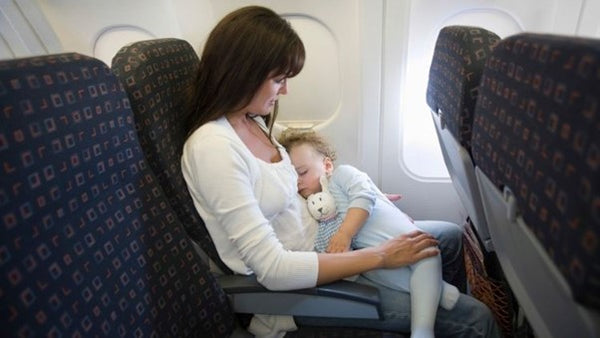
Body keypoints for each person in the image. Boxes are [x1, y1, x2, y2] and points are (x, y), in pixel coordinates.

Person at [180, 5, 501, 337]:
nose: (285, 90)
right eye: (278, 79)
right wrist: (379, 257)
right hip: (299, 290)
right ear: (242, 73)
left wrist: (351, 197)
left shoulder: (253, 121)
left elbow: (293, 192)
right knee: (476, 319)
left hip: (328, 238)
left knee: (446, 237)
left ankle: (427, 297)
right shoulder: (213, 149)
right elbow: (273, 269)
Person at [279, 130, 461, 338]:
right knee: (374, 270)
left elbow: (362, 195)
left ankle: (422, 331)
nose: (298, 182)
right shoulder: (317, 202)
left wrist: (345, 234)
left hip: (395, 234)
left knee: (426, 253)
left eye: (302, 173)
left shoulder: (342, 174)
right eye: (292, 177)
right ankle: (438, 290)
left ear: (327, 166)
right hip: (372, 249)